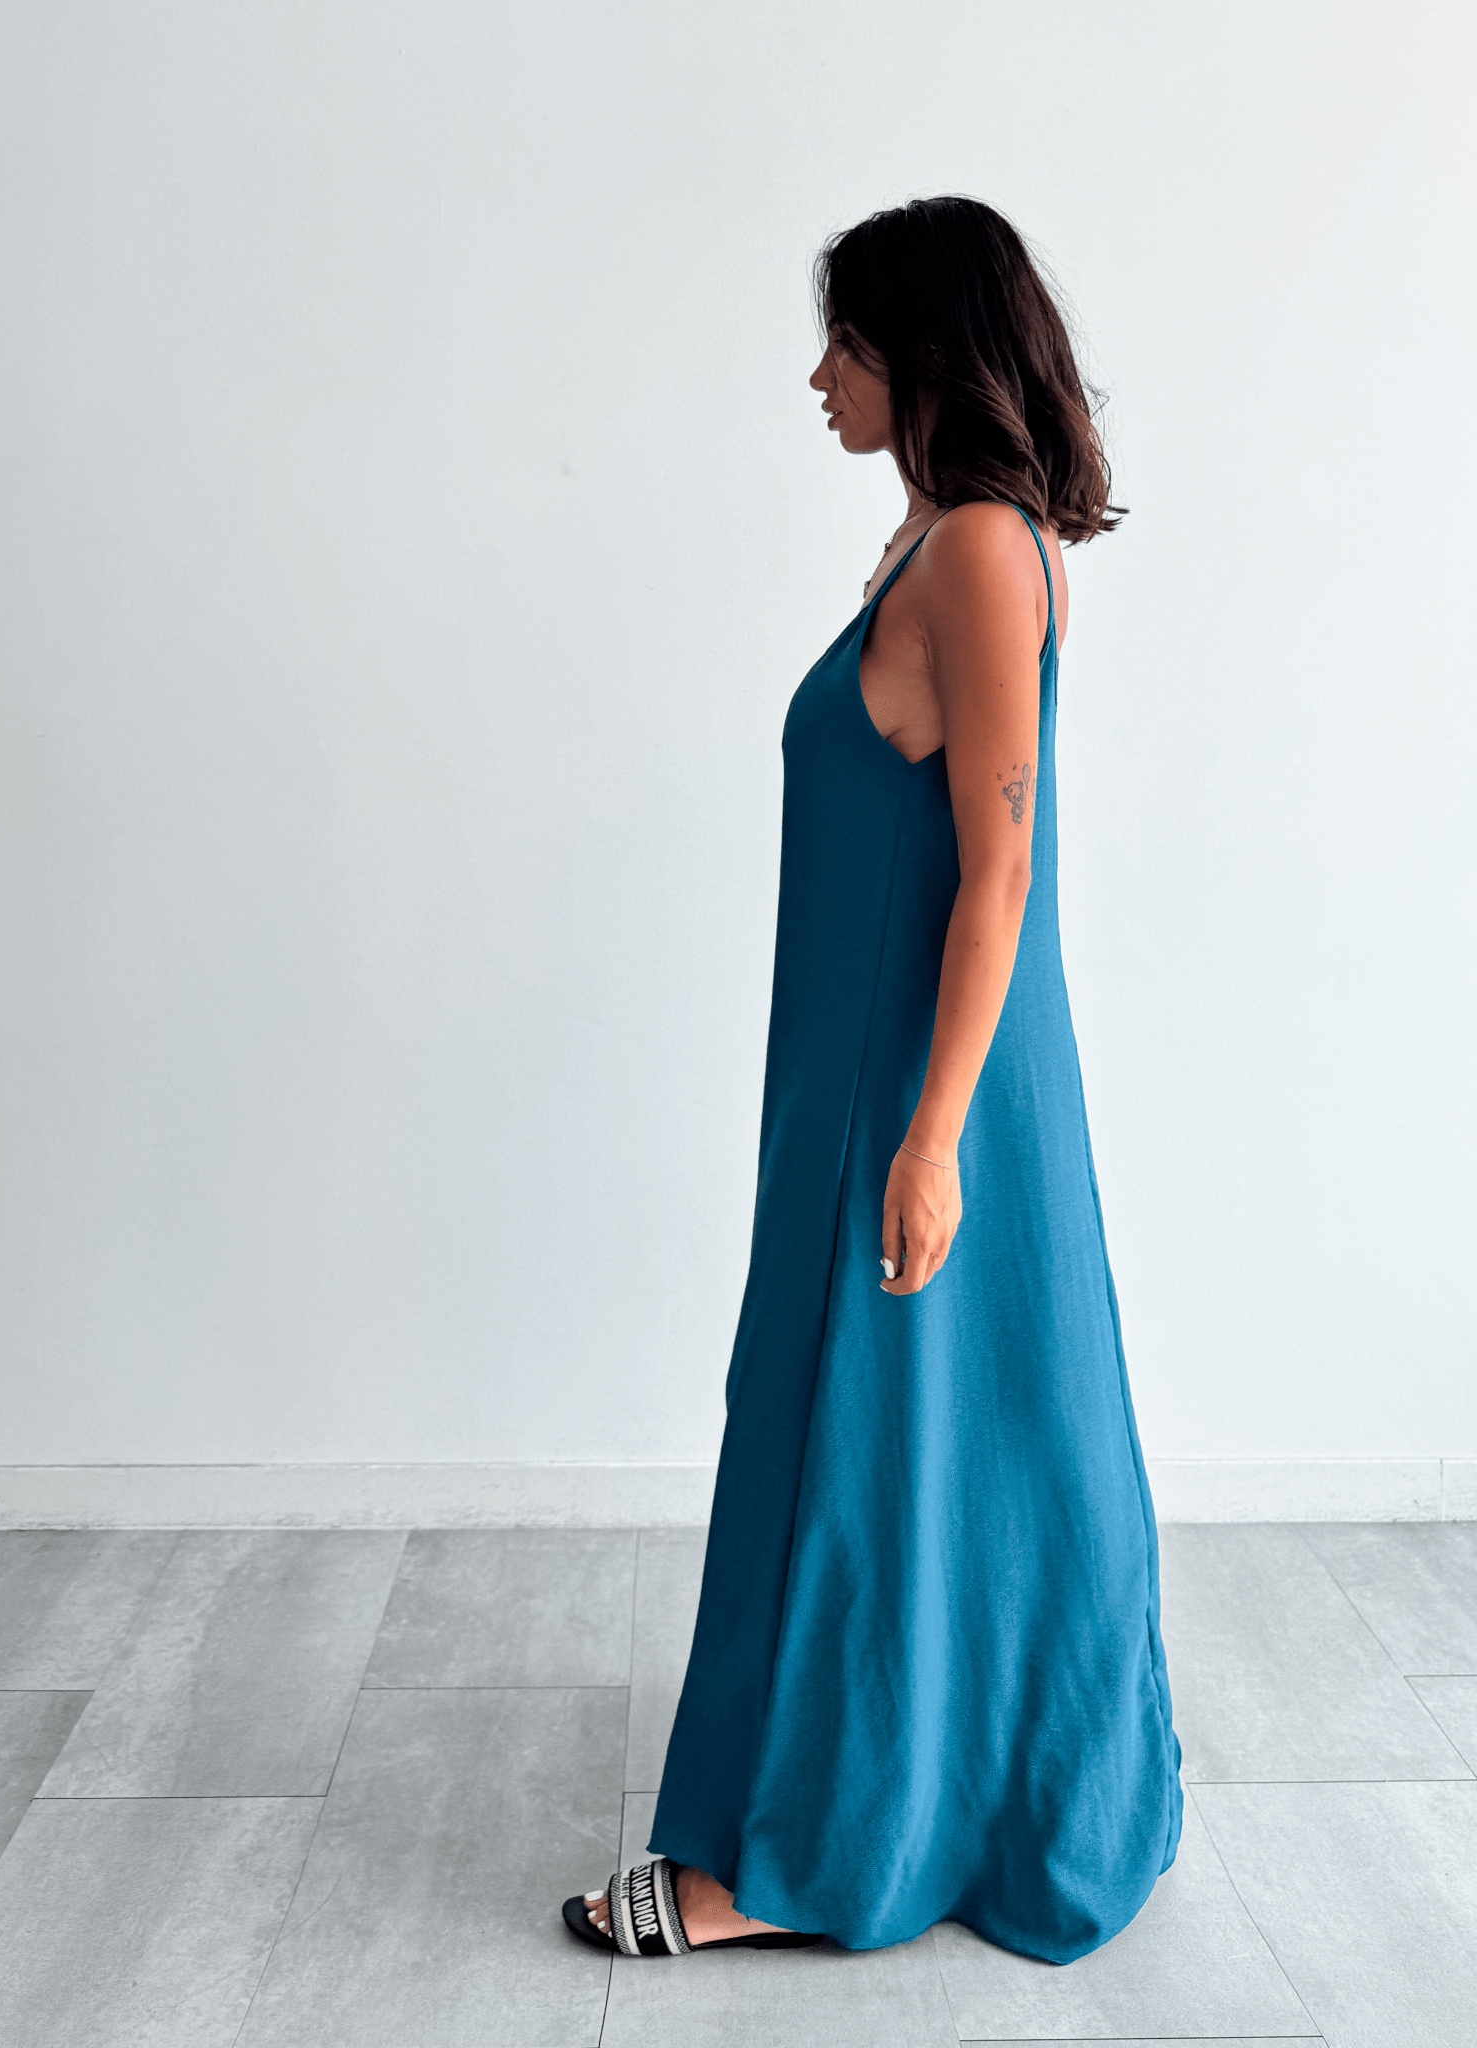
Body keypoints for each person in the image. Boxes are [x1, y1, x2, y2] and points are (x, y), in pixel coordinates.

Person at [562, 195, 1182, 1964]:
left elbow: (1003, 866)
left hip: (918, 1089)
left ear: (922, 356)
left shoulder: (981, 548)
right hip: (876, 1081)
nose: (819, 375)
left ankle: (791, 1868)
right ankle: (937, 1803)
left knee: (863, 1446)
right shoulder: (938, 536)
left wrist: (929, 1138)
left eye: (844, 342)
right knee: (941, 1444)